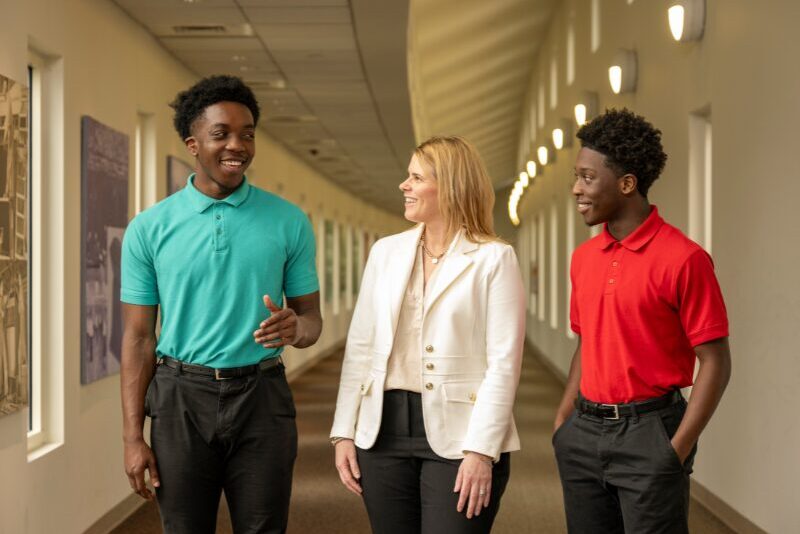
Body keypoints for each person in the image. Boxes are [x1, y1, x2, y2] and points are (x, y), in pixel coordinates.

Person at [120, 75, 322, 534]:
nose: (238, 145)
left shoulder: (288, 221)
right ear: (193, 144)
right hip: (179, 398)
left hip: (262, 396)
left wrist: (296, 329)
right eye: (221, 134)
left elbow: (311, 321)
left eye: (247, 133)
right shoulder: (150, 228)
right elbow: (137, 338)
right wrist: (133, 436)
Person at [330, 136, 526, 533]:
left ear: (450, 188)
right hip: (381, 430)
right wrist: (343, 433)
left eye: (416, 178)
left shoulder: (493, 258)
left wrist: (481, 451)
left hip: (461, 433)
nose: (404, 185)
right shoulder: (386, 252)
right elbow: (361, 348)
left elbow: (503, 364)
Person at [553, 109, 731, 533]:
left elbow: (716, 363)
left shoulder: (684, 259)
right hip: (584, 431)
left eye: (588, 177)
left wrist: (677, 448)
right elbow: (587, 343)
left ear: (627, 184)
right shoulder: (583, 259)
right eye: (576, 177)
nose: (576, 189)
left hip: (651, 433)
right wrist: (564, 420)